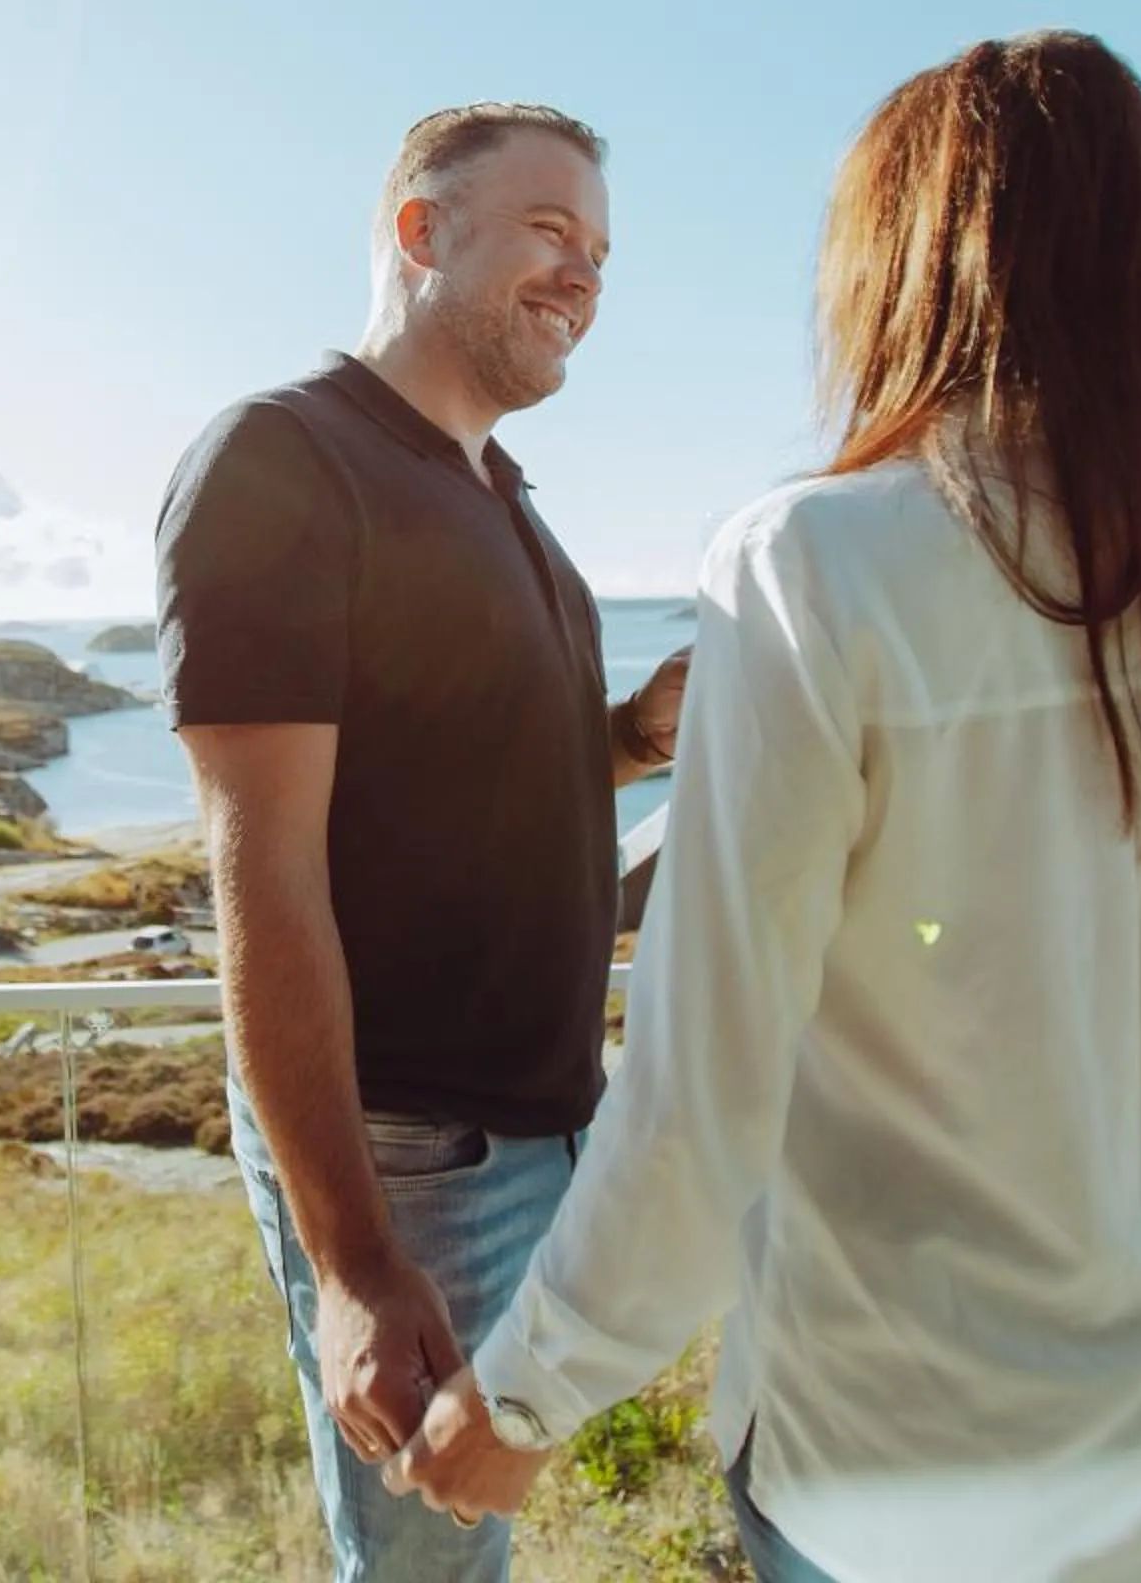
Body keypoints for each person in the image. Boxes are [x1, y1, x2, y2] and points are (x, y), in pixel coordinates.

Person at [386, 34, 1141, 1581]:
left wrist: (523, 1394)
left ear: (900, 263)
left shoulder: (814, 564)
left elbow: (705, 1085)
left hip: (904, 1456)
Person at [155, 101, 688, 1581]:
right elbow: (263, 878)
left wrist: (636, 736)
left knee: (473, 1534)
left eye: (600, 254)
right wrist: (353, 1267)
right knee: (424, 1565)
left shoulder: (503, 496)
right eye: (549, 233)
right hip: (415, 1160)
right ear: (420, 232)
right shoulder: (284, 463)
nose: (584, 277)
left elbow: (477, 782)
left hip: (552, 1120)